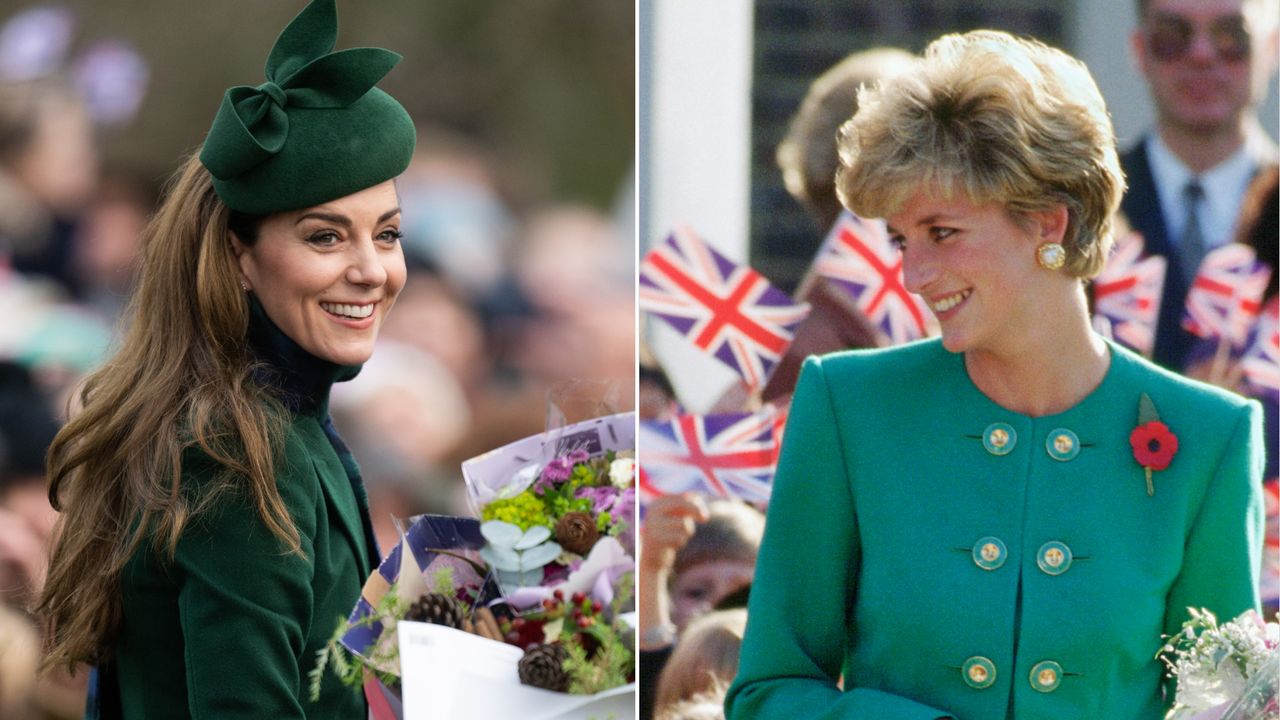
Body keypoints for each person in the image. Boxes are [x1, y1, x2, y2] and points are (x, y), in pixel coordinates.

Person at [726, 30, 1264, 720]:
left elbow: (1225, 707)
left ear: (1049, 223)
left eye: (942, 233)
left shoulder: (1210, 438)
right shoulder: (846, 406)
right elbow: (768, 692)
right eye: (900, 240)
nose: (912, 275)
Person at [35, 1, 415, 717]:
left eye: (387, 235)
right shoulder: (239, 453)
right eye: (326, 238)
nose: (372, 271)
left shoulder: (278, 423)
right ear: (238, 257)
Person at [1123, 0, 1279, 372]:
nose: (1202, 55)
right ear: (1141, 50)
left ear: (1272, 46)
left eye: (1230, 36)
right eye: (1173, 36)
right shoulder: (1081, 204)